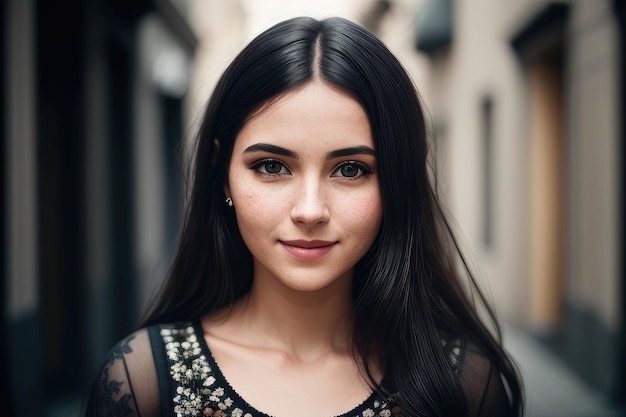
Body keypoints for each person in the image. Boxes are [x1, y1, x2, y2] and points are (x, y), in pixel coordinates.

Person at [85, 16, 523, 417]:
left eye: (350, 169)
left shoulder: (464, 385)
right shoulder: (143, 384)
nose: (310, 210)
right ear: (223, 176)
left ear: (395, 184)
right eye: (272, 166)